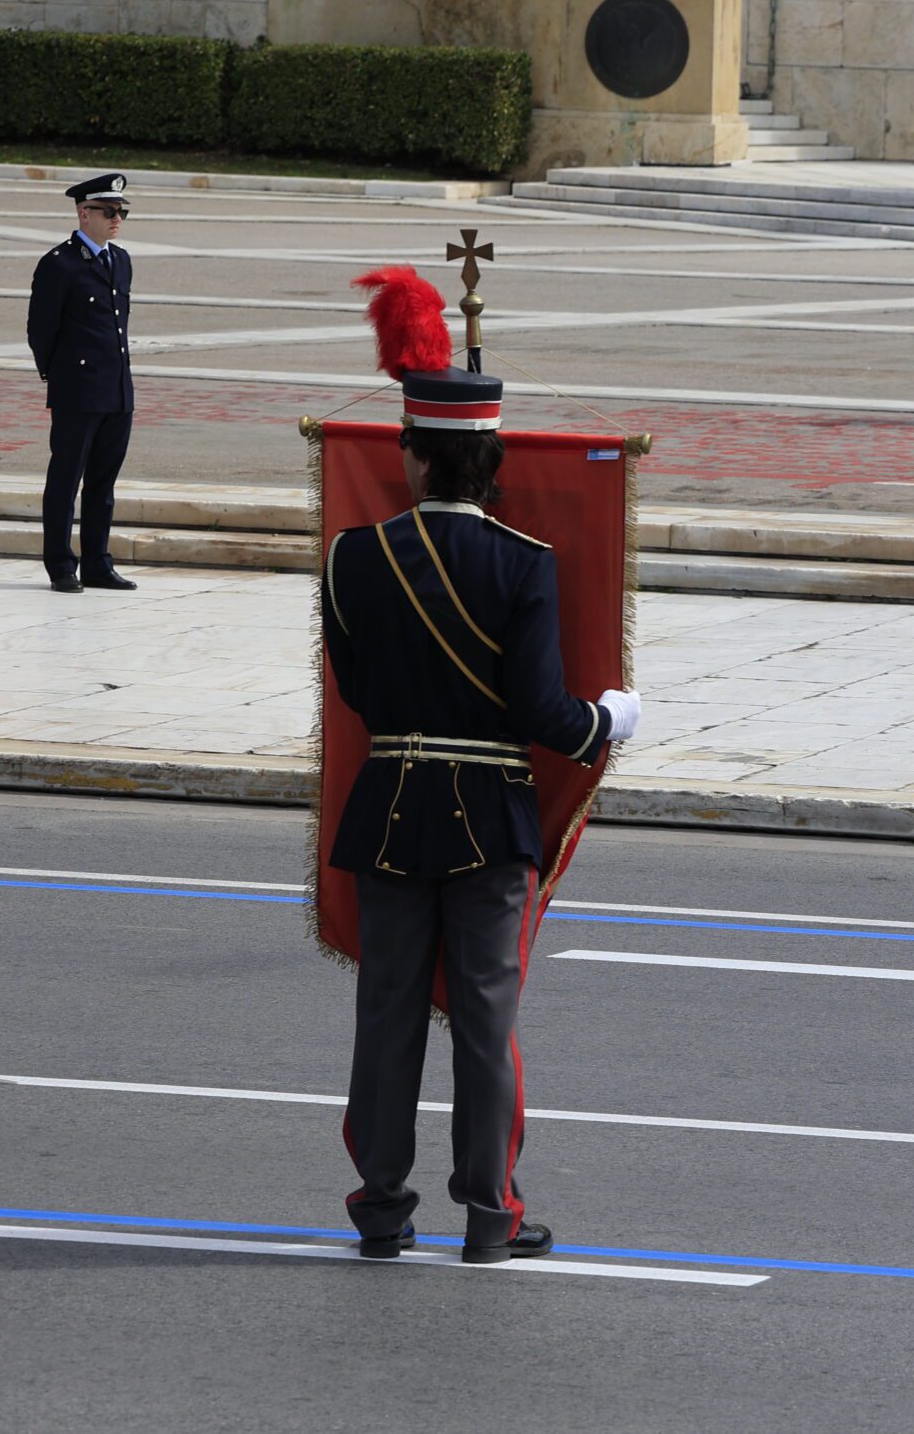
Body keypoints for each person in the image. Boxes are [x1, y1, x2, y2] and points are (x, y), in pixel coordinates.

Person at [323, 300, 642, 1264]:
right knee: (485, 1020)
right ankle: (490, 1215)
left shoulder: (353, 555)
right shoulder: (525, 562)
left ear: (415, 458)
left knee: (386, 1017)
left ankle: (381, 1206)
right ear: (492, 465)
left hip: (388, 809)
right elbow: (546, 715)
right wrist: (610, 720)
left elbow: (354, 686)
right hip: (490, 817)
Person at [26, 173, 138, 594]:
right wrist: (58, 376)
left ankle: (97, 563)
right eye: (109, 211)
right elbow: (41, 330)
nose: (117, 219)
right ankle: (60, 565)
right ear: (83, 213)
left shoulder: (120, 260)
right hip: (78, 389)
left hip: (116, 389)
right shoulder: (60, 263)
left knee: (103, 483)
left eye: (121, 212)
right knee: (65, 480)